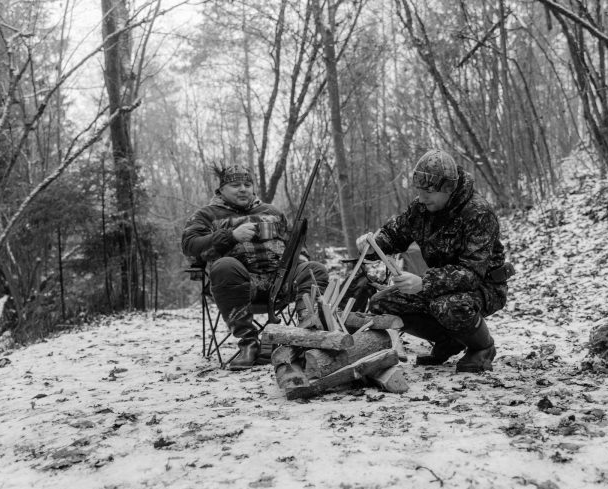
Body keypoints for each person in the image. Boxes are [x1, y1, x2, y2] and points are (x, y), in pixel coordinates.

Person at [357, 149, 511, 372]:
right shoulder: (422, 208)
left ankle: (482, 348)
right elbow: (395, 235)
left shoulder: (478, 213)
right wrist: (372, 245)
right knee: (382, 303)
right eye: (419, 191)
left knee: (448, 306)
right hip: (440, 285)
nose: (421, 197)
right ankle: (450, 339)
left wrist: (423, 283)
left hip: (484, 287)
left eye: (428, 191)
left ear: (448, 188)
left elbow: (471, 273)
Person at [182, 163, 328, 370]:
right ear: (221, 189)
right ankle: (249, 345)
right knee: (225, 266)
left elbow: (298, 245)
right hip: (239, 286)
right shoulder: (206, 215)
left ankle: (307, 337)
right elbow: (189, 245)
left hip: (281, 283)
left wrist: (301, 258)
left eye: (247, 184)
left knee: (315, 269)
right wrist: (231, 236)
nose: (243, 189)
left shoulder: (272, 212)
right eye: (235, 185)